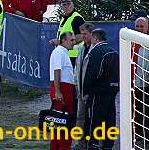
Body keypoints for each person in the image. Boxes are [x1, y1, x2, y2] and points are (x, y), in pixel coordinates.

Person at [83, 29, 119, 150]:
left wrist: (86, 89)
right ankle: (108, 144)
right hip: (112, 90)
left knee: (94, 118)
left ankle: (92, 143)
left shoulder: (97, 52)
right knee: (110, 118)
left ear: (95, 39)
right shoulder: (114, 52)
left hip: (98, 91)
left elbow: (93, 73)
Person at [49, 31, 77, 150]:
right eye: (71, 40)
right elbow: (57, 71)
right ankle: (63, 146)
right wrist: (58, 91)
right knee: (64, 121)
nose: (73, 43)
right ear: (64, 40)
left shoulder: (63, 52)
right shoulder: (59, 52)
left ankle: (58, 146)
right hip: (62, 88)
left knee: (59, 122)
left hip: (65, 88)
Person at [73, 22, 95, 150]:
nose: (83, 36)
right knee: (80, 118)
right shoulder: (81, 48)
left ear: (92, 34)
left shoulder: (95, 49)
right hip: (80, 91)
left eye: (85, 34)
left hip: (91, 92)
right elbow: (77, 68)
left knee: (92, 118)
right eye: (81, 34)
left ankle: (92, 143)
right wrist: (76, 83)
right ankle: (80, 143)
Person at [50, 0, 85, 67]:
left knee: (71, 77)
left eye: (68, 4)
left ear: (73, 5)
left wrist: (60, 42)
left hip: (75, 56)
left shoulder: (77, 18)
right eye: (64, 4)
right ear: (61, 7)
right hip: (66, 55)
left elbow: (81, 37)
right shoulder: (65, 18)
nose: (66, 6)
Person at [133, 12, 149, 148]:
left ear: (147, 27)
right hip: (133, 85)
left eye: (142, 26)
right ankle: (138, 134)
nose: (139, 28)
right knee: (136, 111)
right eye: (137, 26)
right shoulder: (130, 42)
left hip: (146, 85)